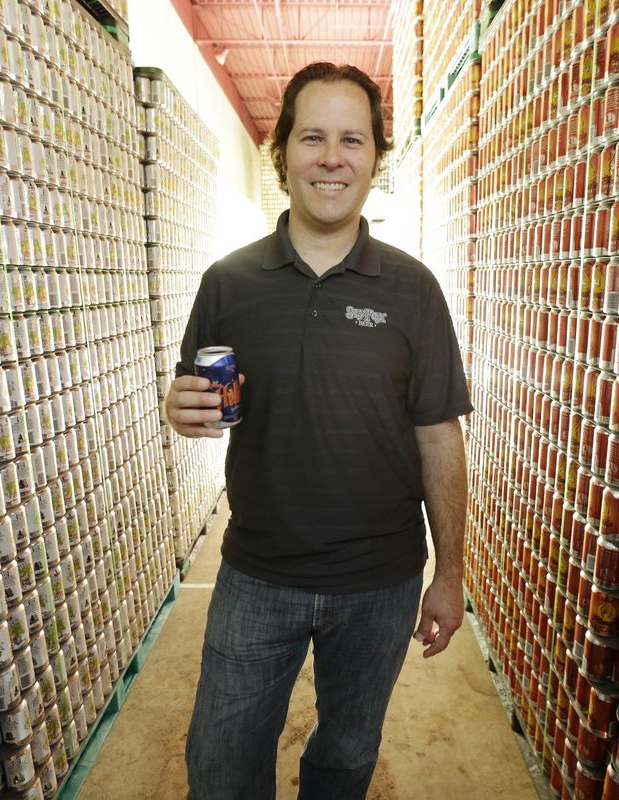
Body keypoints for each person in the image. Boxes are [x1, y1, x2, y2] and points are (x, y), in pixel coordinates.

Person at [166, 61, 472, 800]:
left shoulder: (412, 289)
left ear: (374, 159)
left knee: (343, 757)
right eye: (312, 137)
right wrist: (179, 411)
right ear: (283, 155)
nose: (332, 158)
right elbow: (199, 399)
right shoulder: (228, 283)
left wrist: (452, 574)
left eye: (353, 140)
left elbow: (439, 438)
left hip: (380, 584)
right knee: (221, 761)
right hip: (256, 574)